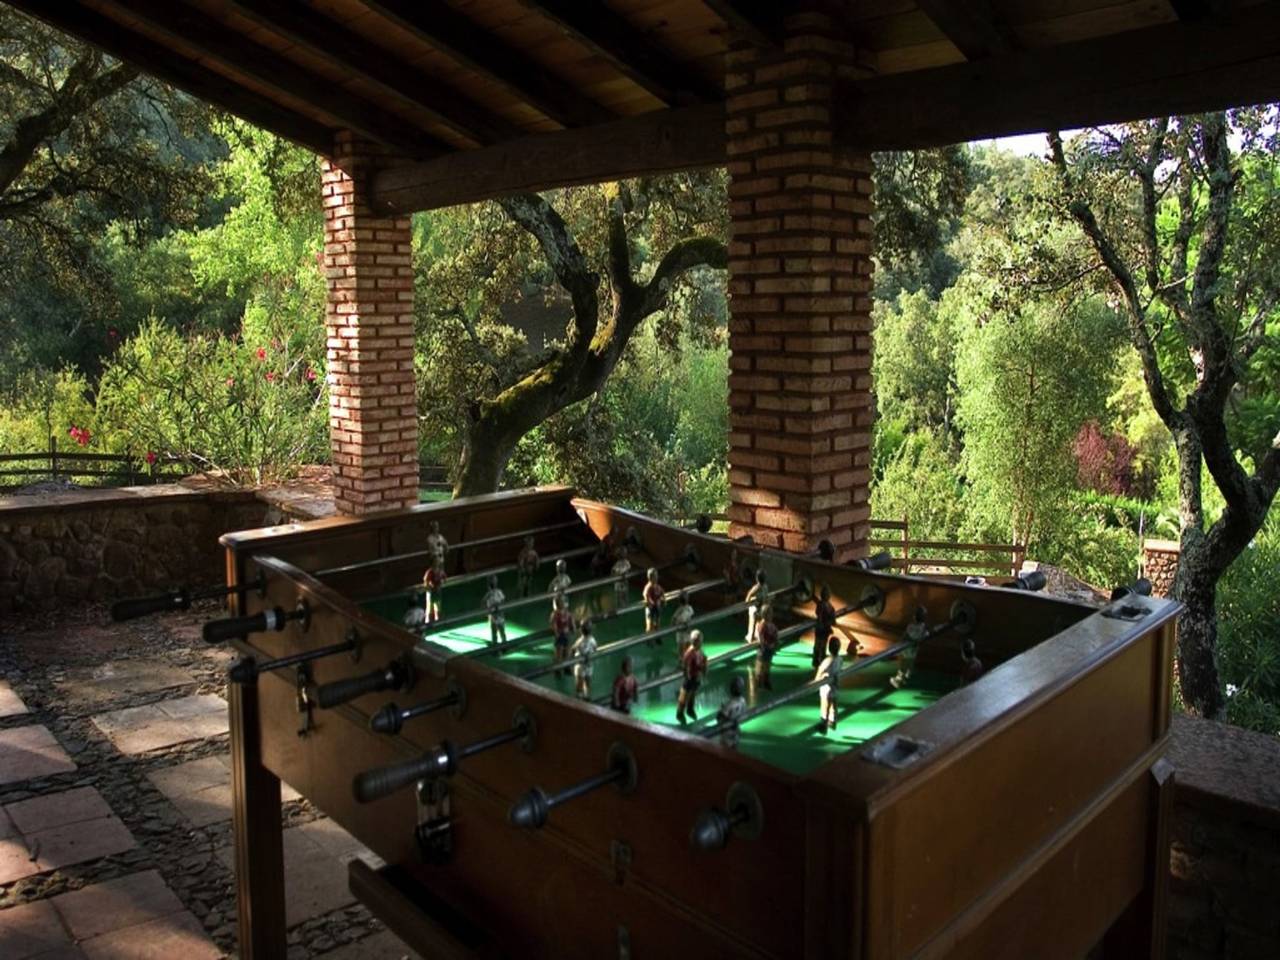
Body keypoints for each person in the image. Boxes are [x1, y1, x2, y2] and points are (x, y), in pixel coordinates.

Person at [891, 605, 930, 689]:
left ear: (914, 617)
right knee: (910, 664)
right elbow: (926, 635)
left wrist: (899, 644)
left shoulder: (911, 626)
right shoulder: (923, 627)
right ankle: (906, 678)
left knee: (903, 665)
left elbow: (905, 636)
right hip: (914, 650)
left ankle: (898, 681)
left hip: (906, 650)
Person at [676, 629, 708, 724]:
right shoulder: (690, 653)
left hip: (696, 676)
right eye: (699, 641)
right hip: (690, 677)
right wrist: (687, 675)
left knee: (693, 694)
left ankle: (690, 709)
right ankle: (680, 713)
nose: (701, 643)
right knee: (684, 695)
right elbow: (685, 665)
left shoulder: (699, 651)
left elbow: (702, 660)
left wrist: (703, 667)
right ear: (695, 642)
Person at [816, 636, 843, 734]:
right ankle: (833, 721)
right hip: (836, 685)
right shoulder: (840, 659)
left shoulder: (828, 660)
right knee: (833, 704)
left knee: (825, 705)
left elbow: (820, 670)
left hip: (827, 687)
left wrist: (817, 680)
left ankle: (824, 724)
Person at [716, 675, 748, 749]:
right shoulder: (743, 701)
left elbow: (720, 716)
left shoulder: (730, 704)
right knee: (734, 748)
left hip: (726, 732)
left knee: (724, 751)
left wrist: (721, 709)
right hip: (736, 730)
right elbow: (744, 714)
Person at [752, 604, 779, 690]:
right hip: (763, 649)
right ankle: (758, 682)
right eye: (769, 613)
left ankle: (766, 681)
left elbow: (775, 634)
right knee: (760, 666)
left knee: (767, 665)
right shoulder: (762, 625)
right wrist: (767, 645)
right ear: (765, 614)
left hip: (769, 648)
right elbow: (761, 638)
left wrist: (774, 643)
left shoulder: (772, 625)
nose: (771, 615)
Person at [550, 592, 576, 677]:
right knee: (559, 652)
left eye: (563, 602)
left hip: (566, 634)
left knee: (567, 651)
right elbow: (553, 624)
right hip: (560, 635)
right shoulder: (555, 614)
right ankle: (558, 669)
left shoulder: (567, 613)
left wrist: (573, 627)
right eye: (560, 602)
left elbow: (571, 620)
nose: (563, 604)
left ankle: (566, 667)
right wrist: (556, 632)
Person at [571, 619, 598, 700]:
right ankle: (585, 696)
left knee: (581, 681)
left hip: (582, 665)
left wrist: (572, 658)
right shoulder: (591, 640)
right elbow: (595, 648)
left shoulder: (580, 641)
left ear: (581, 630)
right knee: (586, 681)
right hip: (586, 665)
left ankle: (581, 696)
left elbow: (573, 649)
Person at [812, 584, 836, 670]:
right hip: (821, 628)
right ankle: (816, 661)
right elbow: (820, 616)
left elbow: (832, 616)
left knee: (822, 645)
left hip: (824, 628)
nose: (827, 594)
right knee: (818, 645)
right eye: (826, 593)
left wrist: (831, 623)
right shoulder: (822, 605)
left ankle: (820, 661)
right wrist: (822, 624)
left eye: (828, 593)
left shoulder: (829, 606)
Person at [482, 574, 507, 647]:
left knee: (500, 632)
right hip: (494, 617)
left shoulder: (498, 592)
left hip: (499, 616)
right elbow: (483, 603)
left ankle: (503, 646)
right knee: (496, 633)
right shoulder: (489, 594)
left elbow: (503, 602)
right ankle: (497, 646)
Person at [744, 569, 768, 643]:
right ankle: (757, 636)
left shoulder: (757, 587)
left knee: (752, 623)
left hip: (756, 609)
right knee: (759, 623)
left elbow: (749, 595)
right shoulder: (765, 587)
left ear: (757, 578)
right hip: (761, 608)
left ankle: (750, 637)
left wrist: (747, 603)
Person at [671, 590, 695, 659]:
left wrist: (689, 627)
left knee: (686, 648)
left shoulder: (687, 609)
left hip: (685, 632)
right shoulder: (683, 609)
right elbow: (673, 620)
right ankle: (683, 660)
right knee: (683, 648)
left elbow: (690, 619)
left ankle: (685, 660)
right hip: (683, 632)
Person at [642, 567, 664, 637]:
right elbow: (645, 594)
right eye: (655, 576)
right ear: (650, 578)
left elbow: (662, 593)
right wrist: (649, 602)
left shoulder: (657, 586)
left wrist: (663, 599)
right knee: (649, 623)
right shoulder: (648, 586)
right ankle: (648, 638)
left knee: (657, 622)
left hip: (657, 607)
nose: (657, 577)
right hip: (650, 607)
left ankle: (657, 635)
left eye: (657, 576)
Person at [611, 546, 632, 610]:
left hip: (625, 583)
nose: (623, 555)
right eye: (621, 553)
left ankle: (625, 607)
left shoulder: (627, 562)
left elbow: (629, 570)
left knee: (625, 595)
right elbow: (613, 571)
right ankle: (619, 609)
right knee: (618, 597)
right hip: (618, 584)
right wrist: (617, 574)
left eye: (625, 553)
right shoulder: (617, 564)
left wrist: (625, 573)